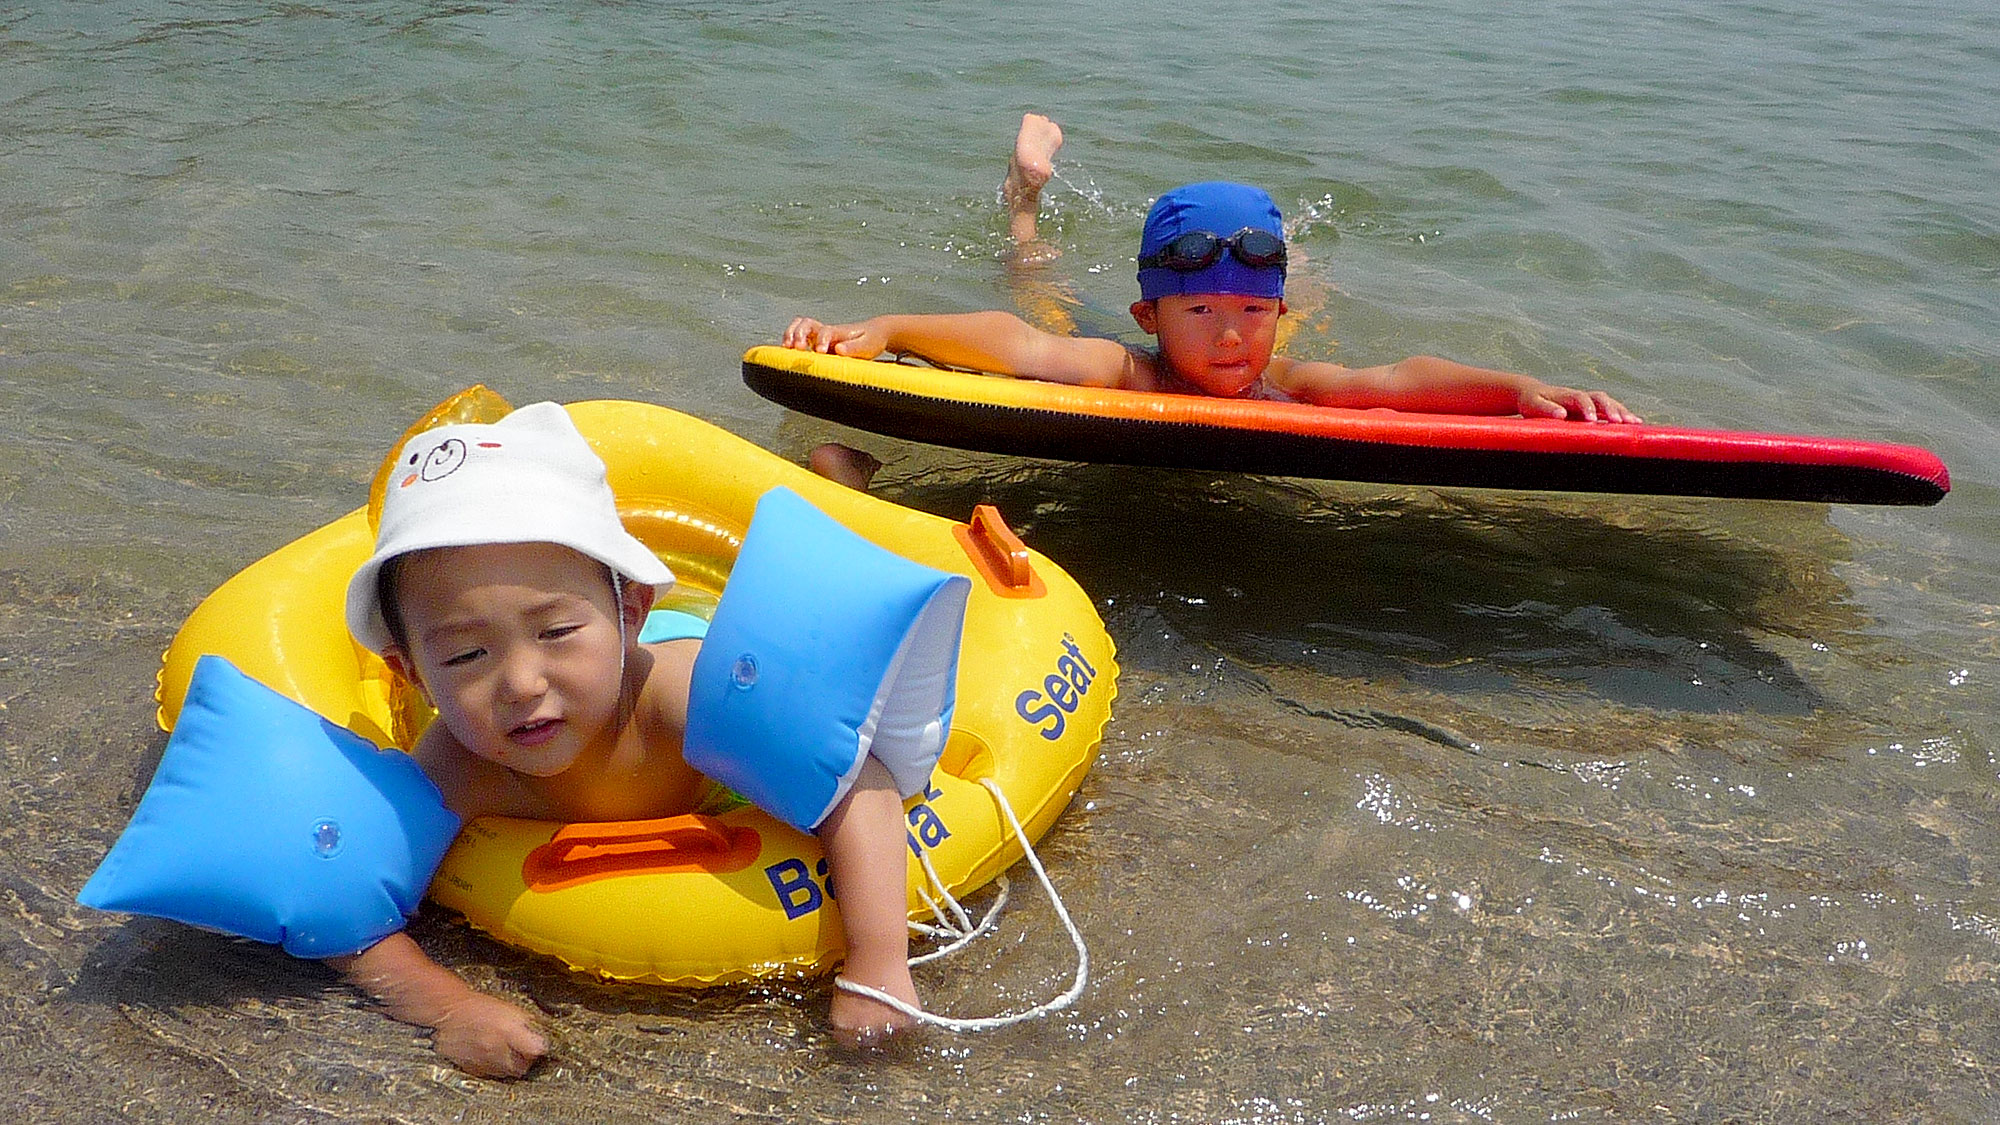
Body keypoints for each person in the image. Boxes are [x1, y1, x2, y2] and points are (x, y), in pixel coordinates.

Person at [332, 402, 927, 1077]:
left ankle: (839, 486)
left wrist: (878, 961)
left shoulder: (683, 700)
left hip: (696, 645)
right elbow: (345, 905)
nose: (522, 683)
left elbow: (858, 777)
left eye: (554, 633)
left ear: (629, 609)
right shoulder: (454, 766)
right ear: (408, 673)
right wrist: (450, 1007)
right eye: (467, 656)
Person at [788, 113, 1642, 489]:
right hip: (1101, 335)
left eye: (1249, 312)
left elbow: (1393, 379)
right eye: (1201, 313)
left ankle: (1292, 262)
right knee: (1037, 282)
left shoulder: (1286, 382)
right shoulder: (1127, 366)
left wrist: (1520, 390)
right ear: (1151, 316)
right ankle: (1024, 193)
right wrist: (886, 329)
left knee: (1307, 303)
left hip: (1263, 327)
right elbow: (1017, 347)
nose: (1231, 337)